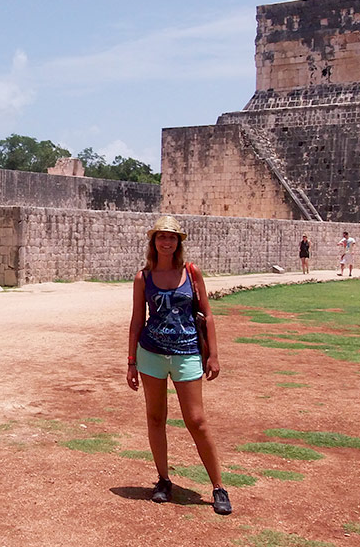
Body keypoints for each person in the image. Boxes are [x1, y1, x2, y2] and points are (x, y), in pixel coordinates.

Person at [127, 216, 230, 514]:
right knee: (156, 418)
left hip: (186, 353)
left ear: (178, 242)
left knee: (196, 421)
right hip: (152, 354)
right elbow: (137, 321)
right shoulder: (143, 278)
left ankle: (218, 486)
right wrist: (131, 361)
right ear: (154, 241)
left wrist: (214, 355)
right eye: (162, 237)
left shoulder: (191, 273)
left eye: (172, 237)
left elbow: (207, 315)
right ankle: (163, 480)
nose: (167, 242)